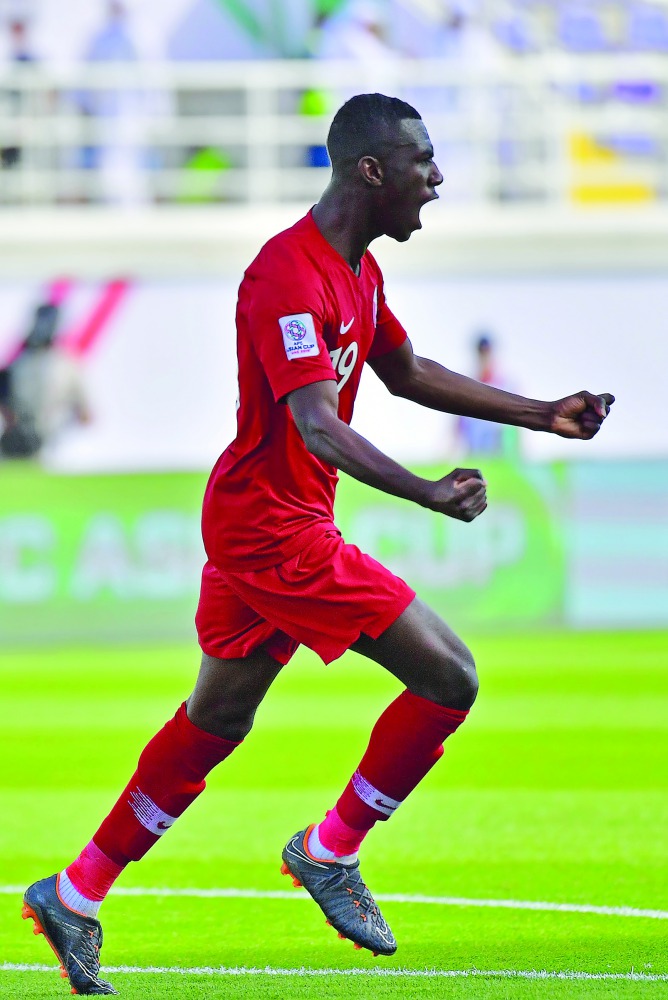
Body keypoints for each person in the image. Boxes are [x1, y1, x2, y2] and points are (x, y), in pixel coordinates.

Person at [21, 93, 614, 995]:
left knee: (215, 721)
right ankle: (330, 850)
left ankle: (75, 891)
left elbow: (407, 373)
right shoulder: (285, 276)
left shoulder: (358, 273)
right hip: (275, 528)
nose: (438, 178)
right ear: (372, 171)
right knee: (449, 676)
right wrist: (426, 492)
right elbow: (318, 425)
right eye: (424, 162)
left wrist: (542, 413)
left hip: (276, 518)